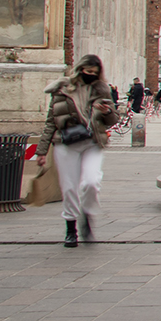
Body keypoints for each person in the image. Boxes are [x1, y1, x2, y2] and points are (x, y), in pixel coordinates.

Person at [36, 54, 116, 248]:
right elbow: (50, 121)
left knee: (92, 181)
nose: (90, 75)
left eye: (94, 73)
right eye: (87, 72)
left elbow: (113, 120)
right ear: (80, 70)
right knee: (69, 186)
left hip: (92, 142)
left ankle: (87, 214)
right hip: (66, 142)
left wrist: (106, 112)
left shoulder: (101, 88)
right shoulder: (62, 88)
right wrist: (41, 151)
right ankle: (70, 228)